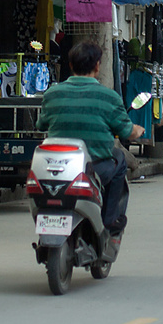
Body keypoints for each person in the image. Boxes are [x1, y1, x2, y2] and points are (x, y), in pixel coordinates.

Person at [38, 41, 144, 234]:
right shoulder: (109, 97)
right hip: (94, 168)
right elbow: (128, 131)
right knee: (119, 159)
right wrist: (138, 130)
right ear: (97, 66)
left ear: (70, 65)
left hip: (55, 167)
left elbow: (41, 125)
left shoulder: (52, 94)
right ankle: (110, 220)